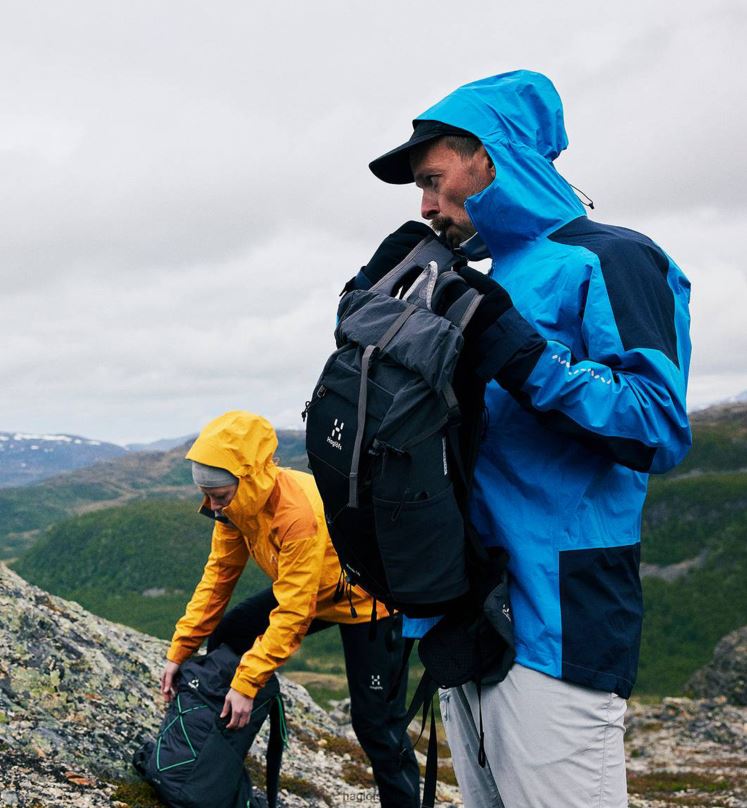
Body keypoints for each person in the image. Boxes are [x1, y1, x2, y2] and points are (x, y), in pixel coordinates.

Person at [358, 70, 692, 807]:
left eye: (434, 179)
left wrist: (515, 350)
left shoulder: (609, 257)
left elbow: (656, 423)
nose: (425, 205)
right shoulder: (474, 277)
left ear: (492, 157)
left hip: (559, 618)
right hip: (466, 613)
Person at [160, 410, 420, 808]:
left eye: (219, 496)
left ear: (247, 481)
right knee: (231, 635)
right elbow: (217, 579)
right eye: (207, 496)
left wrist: (248, 682)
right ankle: (214, 761)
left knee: (377, 727)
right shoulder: (235, 509)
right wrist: (180, 651)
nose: (212, 507)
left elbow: (295, 611)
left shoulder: (296, 514)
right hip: (316, 589)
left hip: (369, 603)